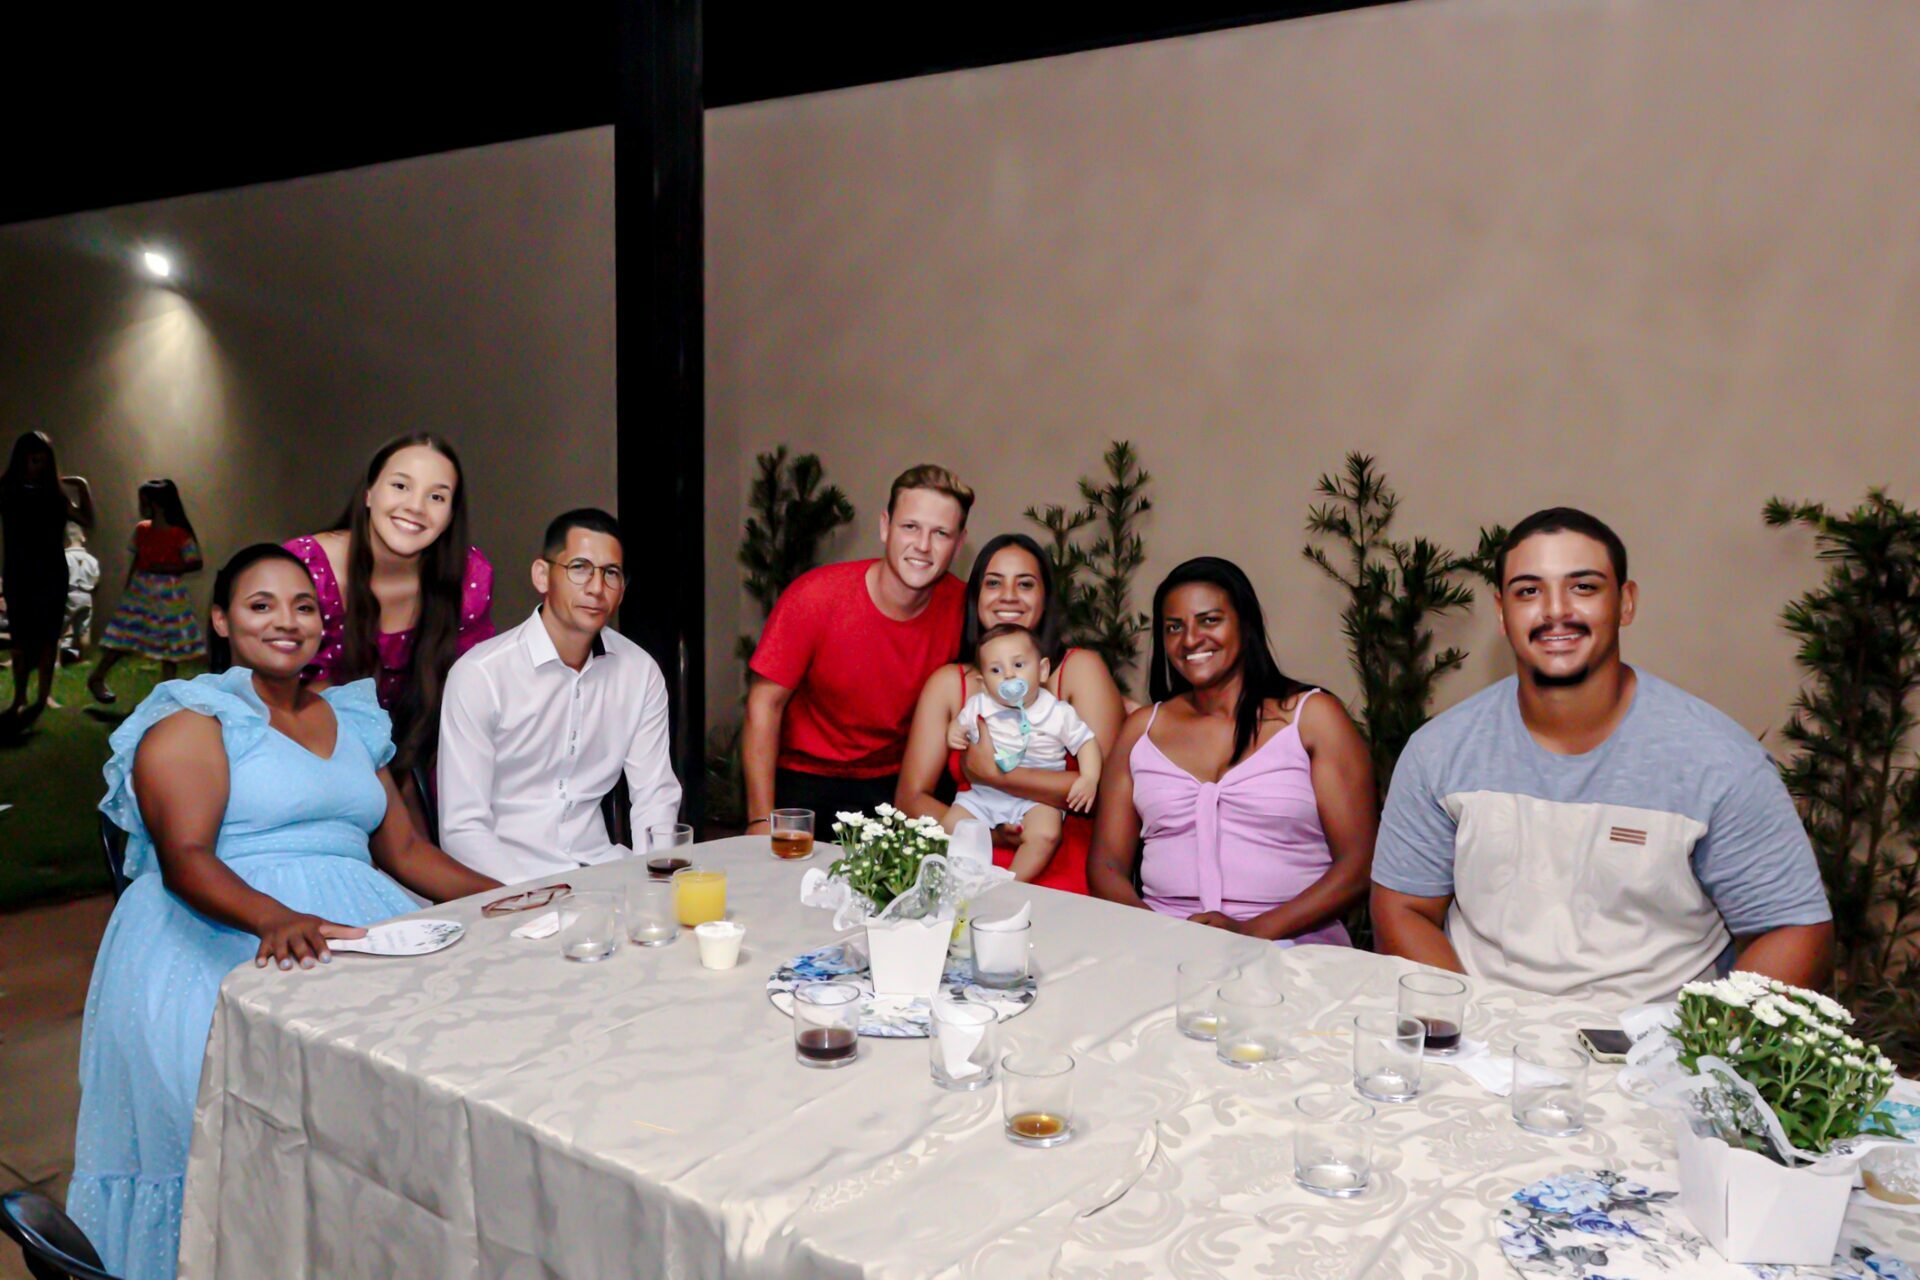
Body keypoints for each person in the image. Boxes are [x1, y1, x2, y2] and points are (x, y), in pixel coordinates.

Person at [68, 544, 500, 1280]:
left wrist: (506, 896)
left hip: (359, 929)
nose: (286, 621)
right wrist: (276, 918)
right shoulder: (195, 717)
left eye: (303, 607)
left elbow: (405, 851)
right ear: (221, 620)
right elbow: (186, 857)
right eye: (260, 605)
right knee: (260, 1125)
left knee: (437, 1068)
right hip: (220, 931)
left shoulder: (350, 716)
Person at [1371, 508, 1834, 1005]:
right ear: (1502, 612)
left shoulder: (1718, 761)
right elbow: (1403, 909)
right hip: (1485, 1032)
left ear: (1625, 602)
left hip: (1655, 1038)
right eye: (1528, 591)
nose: (1555, 611)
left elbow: (1794, 929)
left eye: (1583, 587)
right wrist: (1465, 1020)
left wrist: (1706, 1041)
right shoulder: (1440, 751)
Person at [1088, 557, 1377, 943]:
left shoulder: (1312, 718)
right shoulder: (1141, 730)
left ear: (1245, 623)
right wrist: (1158, 935)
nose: (1190, 639)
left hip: (1292, 946)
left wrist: (1250, 932)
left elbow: (1359, 865)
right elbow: (1106, 864)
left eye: (1209, 620)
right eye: (1174, 627)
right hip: (1164, 946)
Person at [437, 508, 681, 883]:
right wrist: (534, 898)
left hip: (601, 873)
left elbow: (655, 796)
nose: (596, 588)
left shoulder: (640, 672)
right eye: (580, 568)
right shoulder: (481, 675)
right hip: (505, 883)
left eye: (611, 573)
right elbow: (462, 829)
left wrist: (656, 882)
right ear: (542, 575)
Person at [896, 532, 1128, 891]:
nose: (1008, 595)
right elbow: (910, 799)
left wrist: (997, 775)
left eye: (1025, 584)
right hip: (967, 857)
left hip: (1059, 868)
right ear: (976, 597)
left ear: (1045, 598)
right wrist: (988, 835)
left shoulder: (1079, 669)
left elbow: (1109, 794)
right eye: (993, 583)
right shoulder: (950, 684)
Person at [284, 433, 494, 827]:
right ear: (369, 493)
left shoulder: (466, 577)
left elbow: (474, 695)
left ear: (451, 514)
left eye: (437, 496)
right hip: (310, 759)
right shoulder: (306, 569)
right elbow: (282, 699)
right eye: (400, 486)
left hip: (420, 759)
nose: (415, 506)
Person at [743, 464, 971, 827]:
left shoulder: (965, 609)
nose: (923, 546)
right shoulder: (815, 597)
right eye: (910, 527)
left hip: (900, 783)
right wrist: (759, 820)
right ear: (885, 527)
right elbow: (763, 705)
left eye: (940, 533)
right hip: (807, 777)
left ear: (958, 545)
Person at [943, 623, 1102, 880]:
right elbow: (959, 725)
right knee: (950, 825)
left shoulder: (1057, 712)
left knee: (1046, 834)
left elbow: (1086, 742)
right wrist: (954, 731)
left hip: (1037, 798)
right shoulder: (979, 705)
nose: (1008, 675)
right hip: (986, 793)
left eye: (1018, 665)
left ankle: (1012, 882)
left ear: (1042, 670)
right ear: (983, 683)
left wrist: (1089, 777)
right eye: (996, 670)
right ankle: (964, 878)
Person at [2, 431, 94, 720]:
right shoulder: (9, 489)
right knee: (20, 639)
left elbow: (87, 520)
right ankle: (19, 697)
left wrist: (81, 486)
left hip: (51, 573)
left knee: (48, 637)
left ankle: (42, 698)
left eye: (42, 460)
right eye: (32, 459)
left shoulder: (54, 494)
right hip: (19, 572)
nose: (37, 465)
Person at [88, 480, 205, 699]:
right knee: (125, 635)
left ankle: (166, 692)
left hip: (169, 593)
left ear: (156, 504)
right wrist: (129, 586)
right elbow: (137, 558)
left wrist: (166, 568)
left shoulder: (179, 534)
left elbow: (195, 562)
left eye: (144, 501)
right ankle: (97, 676)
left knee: (170, 641)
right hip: (142, 590)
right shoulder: (142, 530)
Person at [61, 521, 100, 663]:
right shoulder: (92, 560)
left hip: (69, 594)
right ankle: (83, 658)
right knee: (84, 629)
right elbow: (96, 579)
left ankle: (57, 660)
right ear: (83, 538)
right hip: (86, 595)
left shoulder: (65, 558)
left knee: (60, 629)